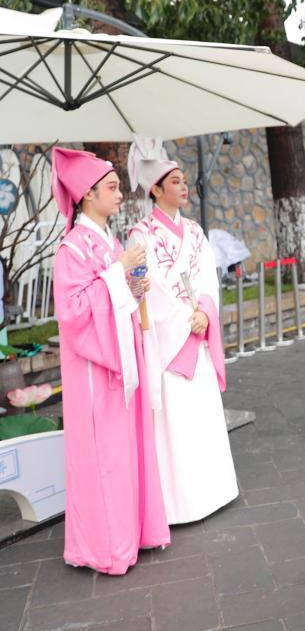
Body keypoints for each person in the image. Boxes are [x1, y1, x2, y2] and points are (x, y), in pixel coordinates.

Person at [51, 147, 170, 574]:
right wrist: (119, 273)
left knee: (125, 454)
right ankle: (105, 549)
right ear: (87, 194)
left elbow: (122, 295)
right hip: (95, 372)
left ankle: (131, 535)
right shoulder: (71, 250)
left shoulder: (110, 242)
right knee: (104, 458)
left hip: (121, 363)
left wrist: (136, 284)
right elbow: (73, 312)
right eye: (113, 187)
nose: (121, 194)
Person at [127, 136, 239, 525]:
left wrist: (205, 312)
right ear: (156, 190)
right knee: (176, 422)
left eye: (184, 180)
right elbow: (148, 289)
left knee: (201, 416)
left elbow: (208, 277)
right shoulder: (140, 235)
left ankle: (215, 490)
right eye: (175, 181)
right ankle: (182, 504)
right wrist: (183, 320)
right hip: (170, 340)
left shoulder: (194, 231)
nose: (184, 186)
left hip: (196, 332)